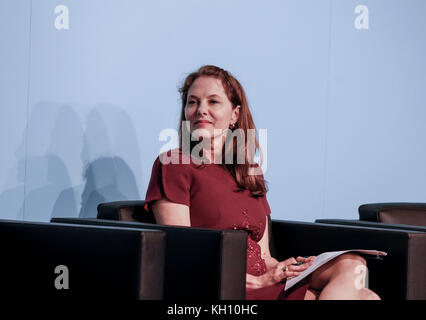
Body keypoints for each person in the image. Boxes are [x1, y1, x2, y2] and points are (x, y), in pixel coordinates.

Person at [144, 65, 381, 300]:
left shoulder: (249, 172)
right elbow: (182, 251)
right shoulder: (173, 164)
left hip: (264, 277)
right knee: (366, 298)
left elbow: (264, 254)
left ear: (235, 115)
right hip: (220, 282)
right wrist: (259, 281)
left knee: (353, 264)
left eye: (213, 102)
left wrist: (286, 267)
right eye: (192, 102)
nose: (200, 110)